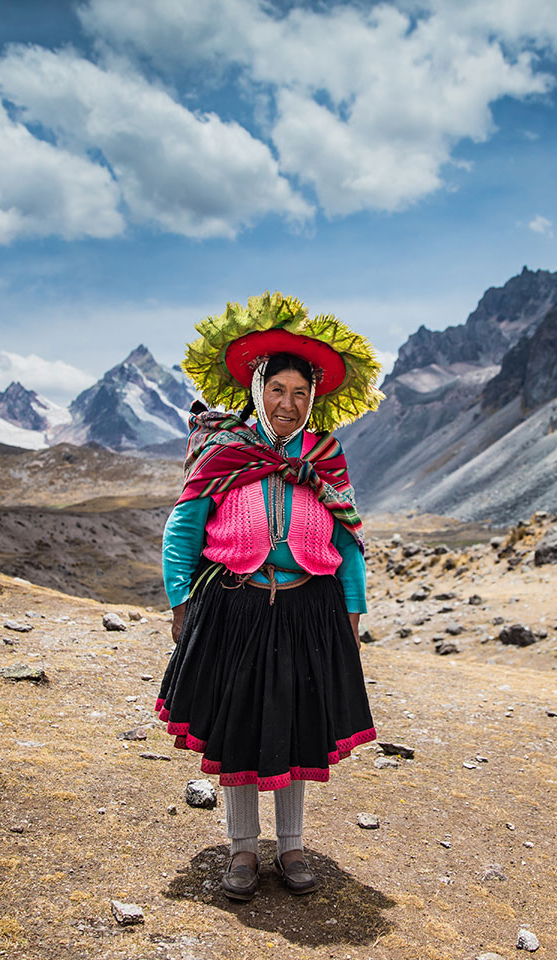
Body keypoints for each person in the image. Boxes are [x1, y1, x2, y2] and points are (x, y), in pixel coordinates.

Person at [156, 292, 384, 901]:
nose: (289, 404)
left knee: (296, 726)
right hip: (236, 606)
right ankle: (241, 851)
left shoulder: (325, 457)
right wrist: (180, 601)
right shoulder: (223, 448)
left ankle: (291, 847)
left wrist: (352, 610)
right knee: (240, 727)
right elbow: (184, 525)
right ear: (258, 389)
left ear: (313, 401)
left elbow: (349, 534)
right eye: (278, 390)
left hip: (311, 609)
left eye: (300, 394)